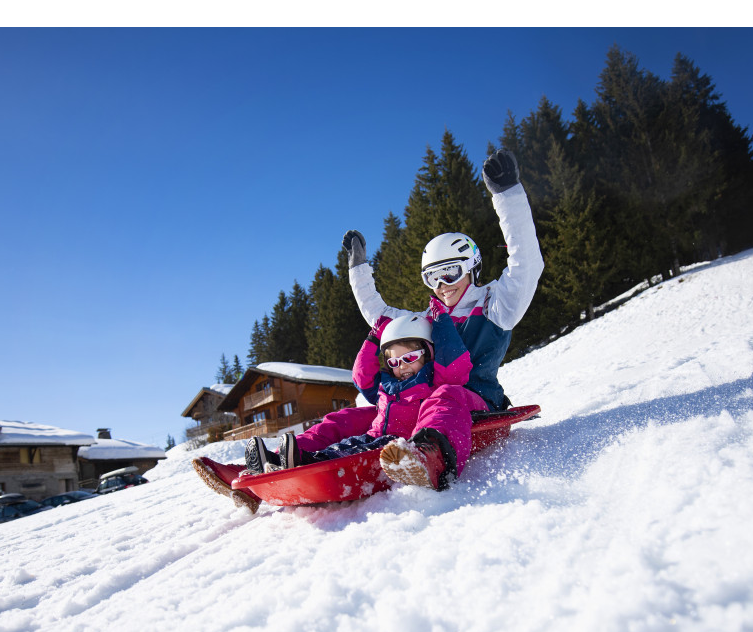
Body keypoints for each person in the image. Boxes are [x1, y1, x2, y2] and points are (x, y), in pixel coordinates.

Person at [193, 147, 542, 508]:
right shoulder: (429, 319)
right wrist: (358, 269)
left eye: (450, 272)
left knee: (445, 395)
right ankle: (269, 464)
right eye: (431, 277)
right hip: (418, 402)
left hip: (475, 403)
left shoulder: (496, 305)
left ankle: (431, 459)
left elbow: (526, 263)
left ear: (472, 266)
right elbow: (379, 316)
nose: (442, 285)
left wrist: (507, 195)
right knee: (356, 416)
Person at [248, 311, 471, 475]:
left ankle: (431, 457)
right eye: (394, 361)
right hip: (376, 437)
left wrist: (440, 320)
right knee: (344, 433)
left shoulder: (435, 380)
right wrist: (374, 337)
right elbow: (362, 376)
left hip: (404, 444)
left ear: (429, 353)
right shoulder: (387, 385)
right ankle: (286, 457)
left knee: (355, 452)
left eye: (410, 358)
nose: (402, 366)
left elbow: (455, 366)